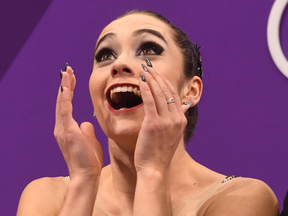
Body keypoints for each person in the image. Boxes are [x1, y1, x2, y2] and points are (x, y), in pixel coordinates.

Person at [17, 10, 279, 216]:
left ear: (190, 91)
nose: (119, 64)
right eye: (105, 55)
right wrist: (84, 183)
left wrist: (152, 172)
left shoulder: (240, 198)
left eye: (148, 50)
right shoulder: (47, 197)